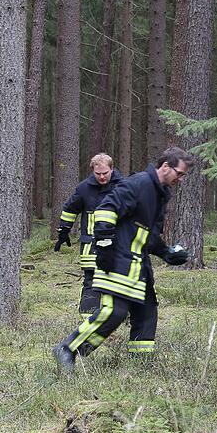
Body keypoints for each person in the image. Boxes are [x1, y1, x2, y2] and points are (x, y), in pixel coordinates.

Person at [52, 147, 194, 371]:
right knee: (114, 312)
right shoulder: (139, 183)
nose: (181, 179)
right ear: (165, 166)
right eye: (180, 173)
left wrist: (167, 253)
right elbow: (106, 209)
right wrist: (106, 247)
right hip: (118, 260)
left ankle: (140, 365)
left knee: (147, 312)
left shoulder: (159, 194)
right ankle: (68, 349)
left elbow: (148, 236)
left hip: (139, 266)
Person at [55, 153, 124, 320]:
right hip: (91, 245)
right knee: (91, 280)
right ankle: (87, 319)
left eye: (105, 173)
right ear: (92, 171)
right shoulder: (84, 188)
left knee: (120, 280)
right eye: (97, 173)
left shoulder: (123, 186)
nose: (101, 177)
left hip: (118, 243)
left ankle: (122, 317)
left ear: (112, 169)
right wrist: (64, 230)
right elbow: (70, 209)